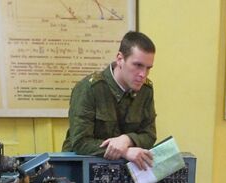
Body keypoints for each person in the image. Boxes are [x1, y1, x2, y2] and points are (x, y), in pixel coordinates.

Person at [64, 31, 157, 169]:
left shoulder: (146, 90)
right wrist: (124, 152)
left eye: (148, 68)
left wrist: (127, 139)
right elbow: (80, 142)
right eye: (137, 65)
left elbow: (149, 135)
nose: (143, 74)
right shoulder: (89, 88)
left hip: (125, 172)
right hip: (81, 169)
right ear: (120, 59)